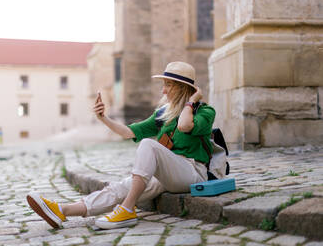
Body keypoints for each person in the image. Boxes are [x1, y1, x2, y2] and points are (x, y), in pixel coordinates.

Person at [26, 61, 216, 230]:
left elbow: (184, 125)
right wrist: (104, 119)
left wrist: (191, 102)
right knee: (119, 188)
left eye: (168, 85)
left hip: (192, 173)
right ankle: (62, 211)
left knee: (149, 145)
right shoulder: (163, 113)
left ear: (183, 88)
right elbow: (128, 132)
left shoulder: (204, 111)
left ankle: (126, 209)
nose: (163, 90)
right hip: (168, 175)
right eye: (163, 85)